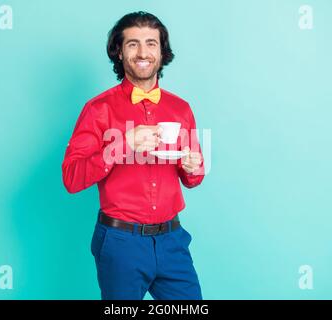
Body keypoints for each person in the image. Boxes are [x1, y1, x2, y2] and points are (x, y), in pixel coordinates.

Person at [62, 11, 205, 300]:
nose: (143, 52)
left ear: (162, 52)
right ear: (119, 52)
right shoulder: (98, 109)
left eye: (151, 43)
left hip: (172, 241)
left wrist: (193, 167)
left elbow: (193, 178)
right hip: (120, 242)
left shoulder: (181, 109)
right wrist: (122, 144)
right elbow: (72, 178)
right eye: (133, 44)